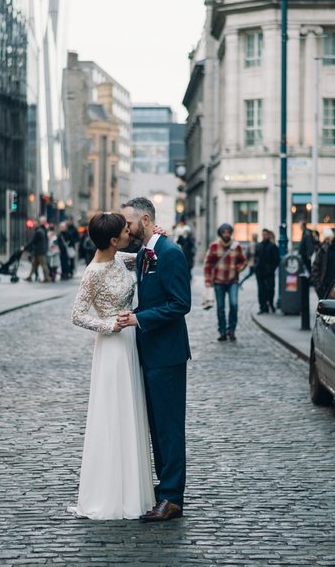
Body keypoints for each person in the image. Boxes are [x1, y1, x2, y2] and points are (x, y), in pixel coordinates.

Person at [68, 212, 155, 520]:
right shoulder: (93, 272)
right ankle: (110, 492)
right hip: (113, 346)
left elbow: (145, 256)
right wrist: (108, 324)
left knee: (131, 412)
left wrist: (157, 235)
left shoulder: (121, 259)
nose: (129, 233)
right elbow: (77, 315)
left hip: (131, 343)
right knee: (113, 415)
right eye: (124, 232)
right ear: (113, 240)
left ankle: (134, 487)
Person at [117, 197, 192, 523]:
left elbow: (180, 304)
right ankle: (165, 489)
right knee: (156, 426)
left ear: (145, 220)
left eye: (129, 222)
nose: (125, 228)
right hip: (150, 353)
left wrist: (138, 318)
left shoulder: (171, 253)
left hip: (167, 355)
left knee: (169, 428)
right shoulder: (145, 252)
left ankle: (173, 497)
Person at [203, 223, 248, 342]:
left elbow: (244, 261)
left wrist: (238, 268)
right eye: (224, 232)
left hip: (233, 281)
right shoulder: (214, 246)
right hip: (219, 281)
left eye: (228, 232)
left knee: (234, 305)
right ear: (221, 233)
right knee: (221, 308)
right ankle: (222, 331)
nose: (227, 234)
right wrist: (208, 280)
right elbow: (208, 265)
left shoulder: (236, 246)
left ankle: (231, 330)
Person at [254, 229, 281, 314]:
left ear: (268, 235)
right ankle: (263, 307)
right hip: (260, 272)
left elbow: (276, 260)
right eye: (263, 234)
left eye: (266, 234)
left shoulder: (272, 246)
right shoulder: (259, 245)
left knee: (270, 289)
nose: (264, 236)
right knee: (261, 290)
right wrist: (256, 267)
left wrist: (271, 268)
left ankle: (271, 304)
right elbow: (255, 257)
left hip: (269, 272)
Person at [24, 216, 51, 282]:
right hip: (38, 251)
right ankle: (30, 277)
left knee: (43, 265)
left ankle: (47, 278)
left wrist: (25, 248)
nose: (34, 224)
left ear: (38, 224)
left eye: (35, 223)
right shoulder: (41, 230)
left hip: (40, 252)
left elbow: (32, 241)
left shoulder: (39, 231)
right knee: (34, 265)